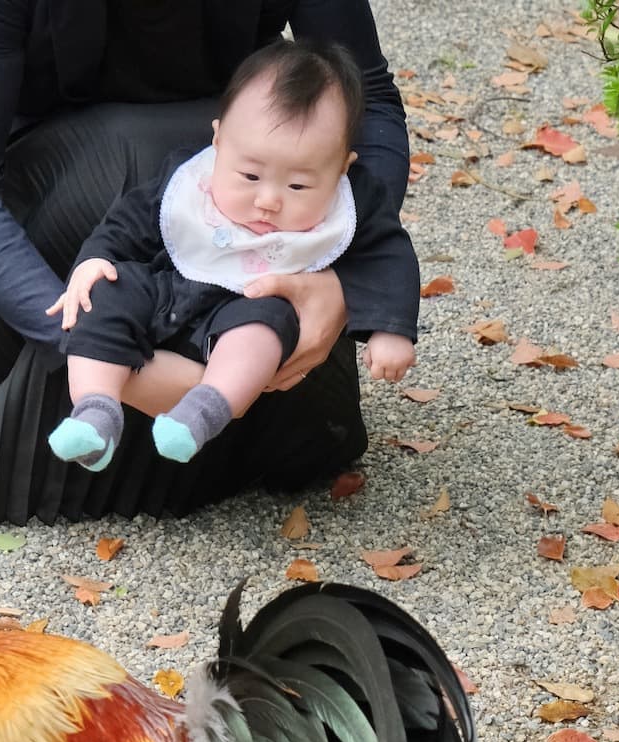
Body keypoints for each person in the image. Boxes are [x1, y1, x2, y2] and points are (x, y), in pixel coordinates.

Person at [0, 0, 414, 527]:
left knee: (276, 156)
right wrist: (104, 352)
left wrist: (333, 276)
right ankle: (92, 412)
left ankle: (225, 410)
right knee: (138, 155)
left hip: (237, 183)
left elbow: (369, 96)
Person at [46, 40, 417, 472]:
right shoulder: (188, 178)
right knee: (103, 295)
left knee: (264, 328)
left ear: (341, 169)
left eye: (298, 186)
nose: (268, 200)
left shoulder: (355, 200)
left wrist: (390, 330)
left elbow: (389, 255)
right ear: (219, 139)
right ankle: (95, 412)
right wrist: (95, 259)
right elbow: (127, 221)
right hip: (167, 289)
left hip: (251, 304)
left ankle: (203, 411)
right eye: (250, 175)